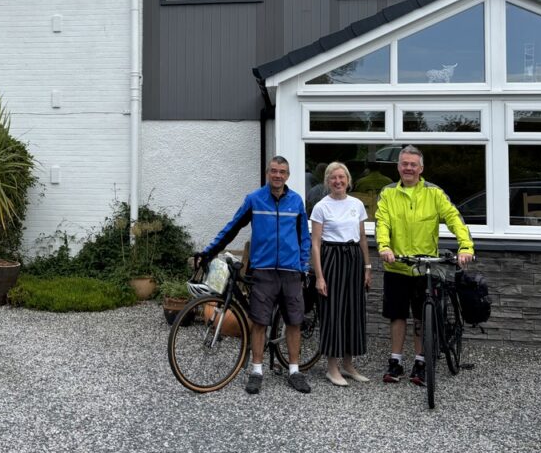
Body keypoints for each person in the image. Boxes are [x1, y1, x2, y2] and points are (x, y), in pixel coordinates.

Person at [200, 156, 312, 395]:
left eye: (282, 172)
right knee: (259, 322)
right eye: (274, 171)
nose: (278, 175)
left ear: (288, 176)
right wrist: (210, 250)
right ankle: (257, 370)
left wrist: (303, 264)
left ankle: (294, 370)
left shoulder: (296, 201)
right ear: (267, 173)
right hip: (263, 270)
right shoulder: (255, 200)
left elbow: (304, 235)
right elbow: (232, 227)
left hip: (291, 271)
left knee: (294, 322)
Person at [375, 145, 474, 386]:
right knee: (397, 316)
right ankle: (395, 360)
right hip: (397, 265)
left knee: (421, 316)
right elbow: (382, 222)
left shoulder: (434, 193)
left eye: (412, 164)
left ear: (421, 168)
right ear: (398, 167)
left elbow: (454, 218)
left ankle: (420, 361)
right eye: (404, 164)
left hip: (424, 267)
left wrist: (466, 246)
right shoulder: (387, 193)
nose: (408, 168)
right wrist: (384, 247)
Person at [309, 162, 371, 387]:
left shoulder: (357, 205)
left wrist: (367, 267)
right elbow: (315, 244)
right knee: (333, 312)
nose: (338, 181)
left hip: (354, 258)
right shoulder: (321, 207)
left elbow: (363, 238)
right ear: (327, 181)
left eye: (341, 177)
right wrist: (319, 276)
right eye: (333, 178)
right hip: (331, 258)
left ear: (348, 180)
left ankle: (348, 364)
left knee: (353, 311)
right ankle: (332, 368)